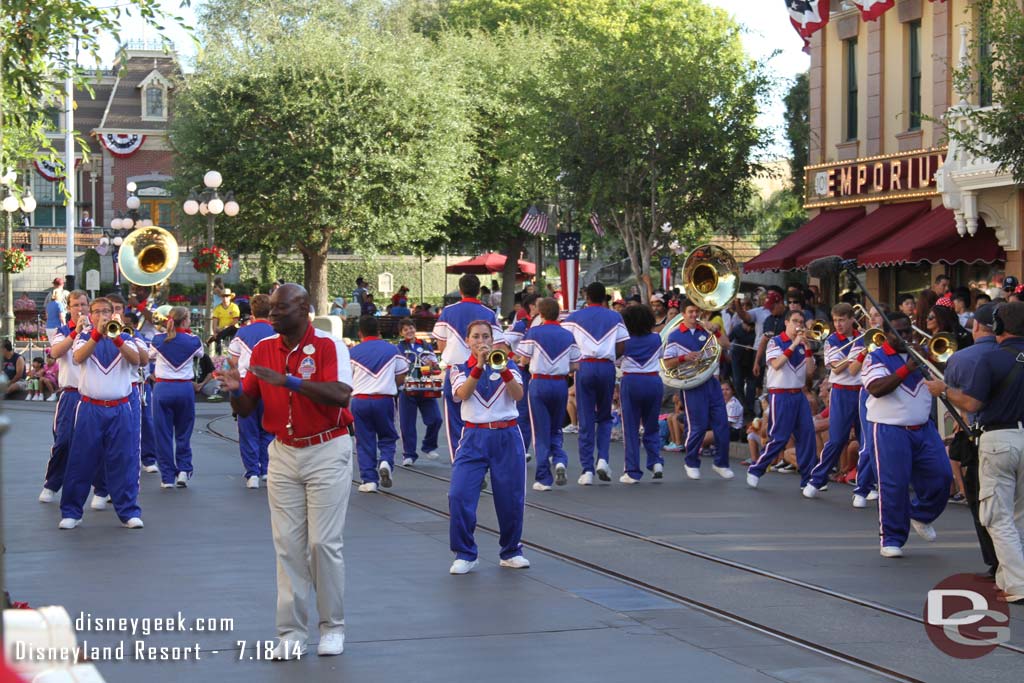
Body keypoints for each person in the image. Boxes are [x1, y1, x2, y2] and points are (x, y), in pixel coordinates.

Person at [217, 283, 354, 659]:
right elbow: (247, 407)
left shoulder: (328, 345)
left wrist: (291, 381)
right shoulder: (263, 349)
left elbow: (341, 394)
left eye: (281, 308)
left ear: (304, 308)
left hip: (327, 448)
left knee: (322, 544)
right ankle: (291, 633)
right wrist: (234, 390)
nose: (272, 314)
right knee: (289, 547)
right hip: (283, 454)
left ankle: (332, 628)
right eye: (272, 308)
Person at [937, 302, 1024, 601]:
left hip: (999, 438)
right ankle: (1006, 577)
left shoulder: (992, 358)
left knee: (996, 515)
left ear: (999, 328)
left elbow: (973, 404)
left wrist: (943, 390)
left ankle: (1018, 584)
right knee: (1019, 514)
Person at [860, 312, 952, 557]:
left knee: (943, 475)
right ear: (886, 334)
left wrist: (933, 360)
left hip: (923, 427)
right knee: (894, 485)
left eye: (908, 331)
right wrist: (906, 368)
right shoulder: (875, 357)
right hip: (890, 428)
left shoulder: (921, 353)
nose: (904, 336)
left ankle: (921, 515)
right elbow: (876, 389)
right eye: (898, 332)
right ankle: (891, 538)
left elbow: (945, 376)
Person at [447, 319, 529, 574]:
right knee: (458, 494)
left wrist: (502, 368)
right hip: (474, 437)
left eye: (485, 336)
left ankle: (511, 550)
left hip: (507, 435)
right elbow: (463, 394)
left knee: (510, 498)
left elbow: (518, 395)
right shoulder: (458, 368)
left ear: (493, 340)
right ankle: (465, 553)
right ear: (468, 341)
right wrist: (479, 367)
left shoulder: (509, 364)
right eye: (476, 337)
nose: (481, 341)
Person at [59, 297, 144, 530]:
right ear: (91, 315)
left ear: (112, 314)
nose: (101, 315)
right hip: (90, 408)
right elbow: (78, 357)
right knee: (81, 460)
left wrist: (116, 338)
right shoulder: (84, 337)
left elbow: (137, 360)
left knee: (123, 460)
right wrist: (96, 335)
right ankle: (72, 512)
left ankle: (128, 511)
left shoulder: (125, 336)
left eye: (106, 311)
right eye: (97, 312)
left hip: (120, 408)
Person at [941, 303, 1000, 578]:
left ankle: (996, 560)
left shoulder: (963, 358)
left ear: (976, 326)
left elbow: (963, 399)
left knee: (981, 501)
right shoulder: (1013, 354)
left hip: (979, 434)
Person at [432, 274, 506, 460]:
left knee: (455, 422)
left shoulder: (448, 312)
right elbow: (498, 345)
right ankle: (481, 460)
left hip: (456, 371)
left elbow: (440, 345)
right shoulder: (488, 313)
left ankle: (462, 462)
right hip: (483, 371)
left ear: (460, 289)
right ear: (479, 290)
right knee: (481, 418)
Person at [562, 282, 629, 485]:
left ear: (587, 297)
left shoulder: (574, 317)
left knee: (586, 417)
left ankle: (587, 469)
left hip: (584, 367)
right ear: (604, 298)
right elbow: (622, 346)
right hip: (606, 367)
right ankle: (603, 459)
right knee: (605, 416)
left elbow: (565, 342)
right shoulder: (615, 317)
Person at [662, 299, 734, 480]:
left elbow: (726, 345)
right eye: (691, 312)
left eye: (697, 312)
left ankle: (721, 463)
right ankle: (691, 461)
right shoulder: (675, 335)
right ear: (683, 314)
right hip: (692, 385)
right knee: (698, 426)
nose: (695, 315)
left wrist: (716, 330)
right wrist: (685, 357)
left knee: (722, 424)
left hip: (712, 382)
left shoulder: (707, 330)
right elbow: (667, 363)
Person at [746, 309, 818, 489]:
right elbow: (776, 364)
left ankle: (807, 478)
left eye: (801, 322)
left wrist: (807, 348)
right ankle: (756, 469)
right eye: (794, 321)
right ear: (786, 323)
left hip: (799, 395)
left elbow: (810, 371)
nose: (798, 325)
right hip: (781, 394)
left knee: (807, 435)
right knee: (779, 437)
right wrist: (793, 345)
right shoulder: (775, 342)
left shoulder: (803, 345)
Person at [516, 297, 580, 490]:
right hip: (560, 385)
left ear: (540, 314)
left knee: (540, 431)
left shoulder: (534, 332)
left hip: (539, 383)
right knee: (555, 427)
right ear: (558, 314)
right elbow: (575, 365)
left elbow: (523, 360)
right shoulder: (568, 335)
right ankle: (559, 459)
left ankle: (543, 478)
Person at [804, 304, 865, 498]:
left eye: (842, 320)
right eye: (835, 320)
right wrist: (857, 352)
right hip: (842, 392)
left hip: (863, 392)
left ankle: (866, 485)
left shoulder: (864, 337)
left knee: (866, 442)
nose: (838, 324)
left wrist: (864, 344)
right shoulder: (831, 340)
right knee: (837, 439)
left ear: (851, 319)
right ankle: (817, 479)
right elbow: (837, 368)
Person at [39, 290, 89, 502]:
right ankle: (52, 485)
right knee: (63, 442)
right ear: (69, 308)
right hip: (70, 395)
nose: (79, 309)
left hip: (92, 397)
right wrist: (74, 333)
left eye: (83, 305)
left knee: (98, 444)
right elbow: (56, 352)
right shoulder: (61, 331)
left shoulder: (98, 331)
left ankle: (102, 488)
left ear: (89, 307)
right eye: (75, 305)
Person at [349, 315, 407, 492]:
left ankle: (369, 480)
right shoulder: (392, 350)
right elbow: (402, 372)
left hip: (360, 400)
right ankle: (386, 462)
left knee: (364, 439)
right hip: (384, 399)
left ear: (360, 333)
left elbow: (346, 379)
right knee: (388, 436)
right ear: (379, 332)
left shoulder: (352, 352)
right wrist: (391, 385)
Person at [150, 307, 204, 488]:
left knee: (163, 434)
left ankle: (167, 477)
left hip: (163, 387)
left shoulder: (157, 340)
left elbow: (148, 357)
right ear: (186, 320)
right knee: (184, 432)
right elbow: (201, 354)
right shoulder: (193, 340)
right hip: (184, 388)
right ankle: (183, 470)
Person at [228, 294, 276, 488]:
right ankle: (266, 469)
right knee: (268, 429)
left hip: (247, 383)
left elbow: (232, 358)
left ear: (252, 312)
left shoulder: (242, 333)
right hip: (270, 384)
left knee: (247, 430)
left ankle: (252, 474)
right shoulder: (276, 331)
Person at [618, 304, 665, 483]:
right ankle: (655, 461)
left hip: (631, 381)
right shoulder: (656, 337)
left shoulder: (624, 341)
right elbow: (660, 356)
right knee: (651, 424)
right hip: (653, 381)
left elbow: (617, 360)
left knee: (630, 427)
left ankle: (632, 471)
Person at [506, 293, 540, 460]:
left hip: (541, 374)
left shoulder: (545, 325)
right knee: (523, 412)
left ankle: (548, 452)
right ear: (531, 307)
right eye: (540, 303)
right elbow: (503, 343)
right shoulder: (522, 325)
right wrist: (515, 357)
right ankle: (522, 448)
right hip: (524, 372)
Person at [210, 288, 240, 354]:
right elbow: (214, 321)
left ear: (230, 297)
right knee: (218, 336)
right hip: (222, 331)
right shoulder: (218, 308)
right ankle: (219, 356)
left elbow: (235, 321)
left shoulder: (234, 307)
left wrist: (224, 327)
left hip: (232, 329)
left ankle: (211, 341)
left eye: (227, 296)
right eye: (223, 296)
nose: (225, 298)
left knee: (227, 331)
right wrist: (214, 331)